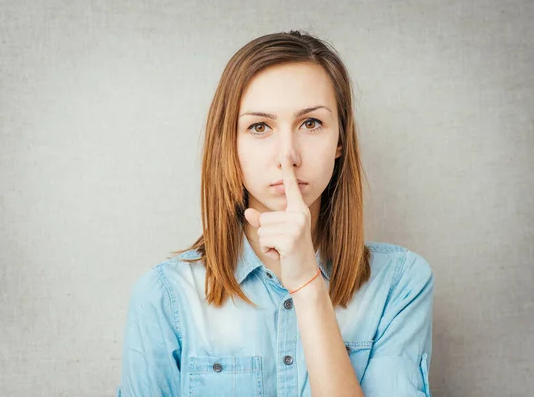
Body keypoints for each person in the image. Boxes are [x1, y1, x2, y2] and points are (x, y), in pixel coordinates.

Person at [116, 30, 434, 397]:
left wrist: (307, 286)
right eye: (259, 127)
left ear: (340, 141)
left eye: (311, 123)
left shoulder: (401, 283)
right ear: (229, 145)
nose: (288, 155)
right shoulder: (164, 295)